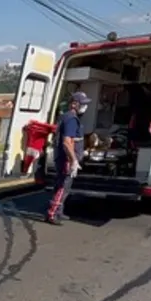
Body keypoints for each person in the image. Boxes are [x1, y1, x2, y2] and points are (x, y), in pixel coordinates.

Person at [45, 91, 91, 225]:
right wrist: (73, 160)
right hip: (67, 158)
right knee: (63, 186)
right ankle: (52, 213)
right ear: (75, 104)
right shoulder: (71, 119)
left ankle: (59, 211)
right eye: (83, 104)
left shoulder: (66, 117)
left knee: (63, 184)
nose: (85, 107)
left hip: (64, 157)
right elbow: (67, 142)